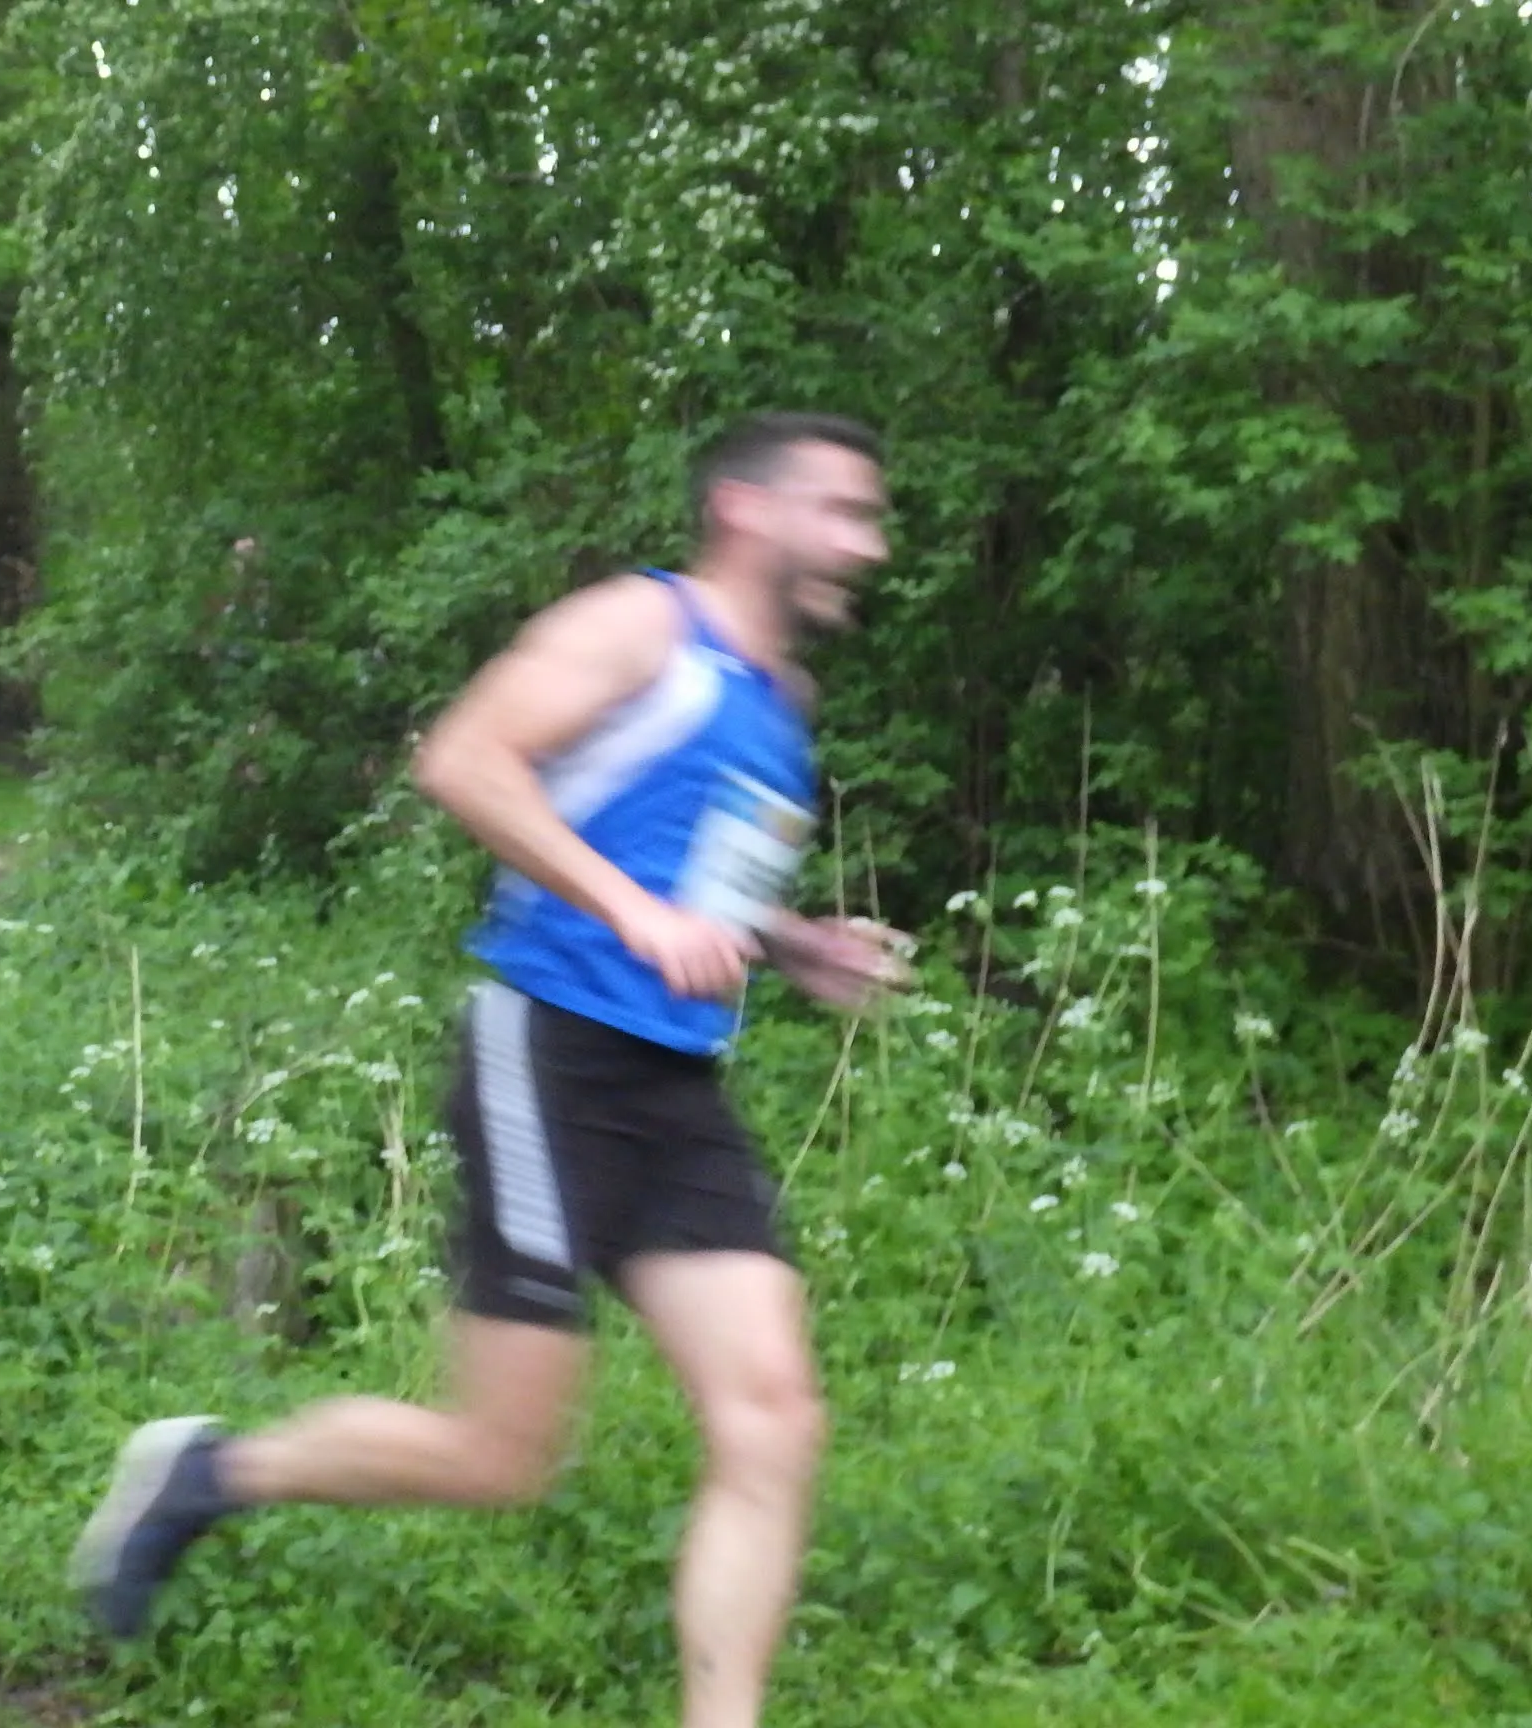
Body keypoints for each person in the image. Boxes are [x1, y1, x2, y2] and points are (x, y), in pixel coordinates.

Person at [72, 414, 912, 1728]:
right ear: (749, 508)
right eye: (846, 513)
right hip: (549, 1053)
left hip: (675, 1085)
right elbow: (463, 760)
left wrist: (793, 942)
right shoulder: (640, 627)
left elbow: (696, 875)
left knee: (775, 1419)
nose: (869, 546)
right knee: (500, 1456)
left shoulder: (779, 700)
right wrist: (633, 912)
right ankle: (208, 1476)